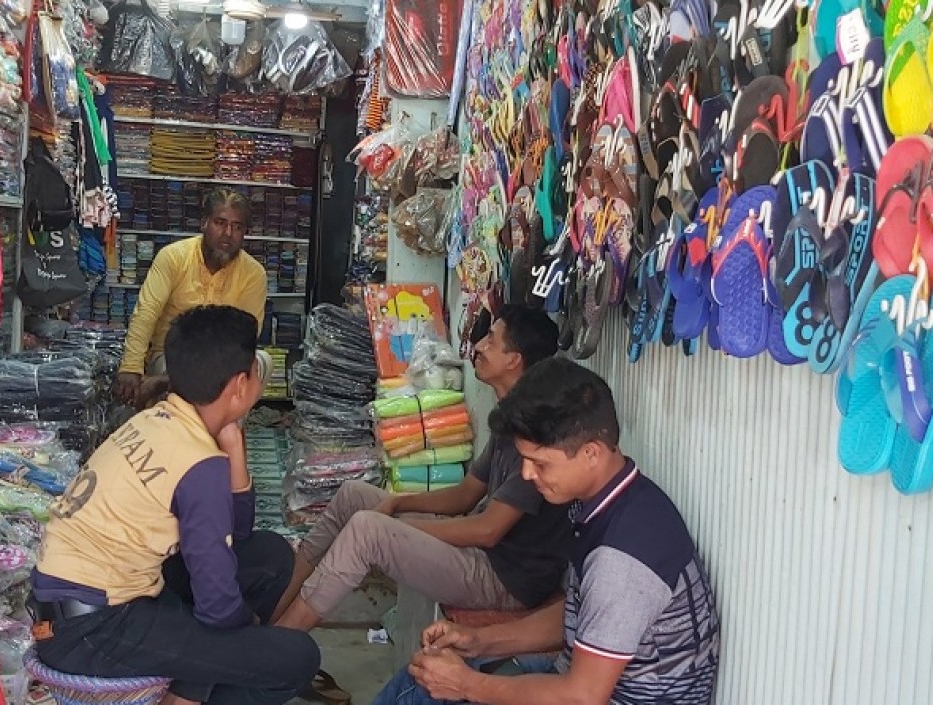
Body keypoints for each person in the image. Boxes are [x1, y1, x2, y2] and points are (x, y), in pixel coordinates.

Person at [373, 358, 721, 705]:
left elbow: (581, 698)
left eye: (540, 463)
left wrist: (466, 685)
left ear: (591, 453)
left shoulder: (622, 558)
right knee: (423, 678)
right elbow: (584, 615)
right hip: (579, 680)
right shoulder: (618, 501)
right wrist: (478, 640)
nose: (527, 474)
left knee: (423, 693)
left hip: (594, 696)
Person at [274, 306, 573, 697]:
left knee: (367, 530)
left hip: (503, 579)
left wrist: (400, 526)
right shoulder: (511, 416)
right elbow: (466, 494)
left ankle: (273, 656)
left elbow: (487, 530)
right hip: (482, 554)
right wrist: (398, 504)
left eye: (491, 339)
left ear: (514, 360)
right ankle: (274, 617)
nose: (479, 346)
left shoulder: (537, 431)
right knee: (354, 496)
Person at [31, 305, 319, 705]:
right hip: (93, 630)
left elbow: (236, 534)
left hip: (84, 605)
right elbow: (219, 608)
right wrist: (249, 631)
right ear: (240, 386)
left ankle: (188, 689)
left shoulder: (158, 419)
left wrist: (233, 447)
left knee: (269, 555)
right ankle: (192, 692)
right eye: (257, 370)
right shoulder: (198, 463)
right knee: (297, 658)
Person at [114, 188, 268, 404]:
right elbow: (146, 312)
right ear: (204, 223)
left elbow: (246, 336)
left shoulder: (254, 273)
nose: (228, 233)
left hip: (225, 360)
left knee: (262, 361)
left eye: (237, 227)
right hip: (172, 355)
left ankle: (223, 420)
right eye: (220, 223)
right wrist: (131, 366)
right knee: (180, 374)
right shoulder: (173, 257)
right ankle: (174, 391)